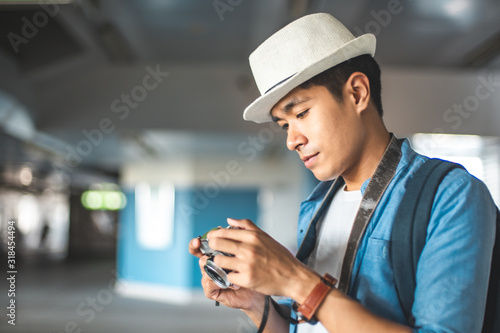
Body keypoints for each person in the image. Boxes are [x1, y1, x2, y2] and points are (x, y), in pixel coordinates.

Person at [188, 13, 497, 333]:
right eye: (284, 126)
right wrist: (256, 302)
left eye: (302, 113)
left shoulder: (451, 196)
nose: (292, 140)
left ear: (358, 93)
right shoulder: (316, 206)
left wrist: (294, 279)